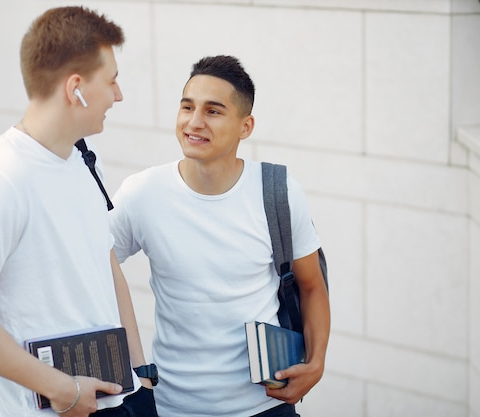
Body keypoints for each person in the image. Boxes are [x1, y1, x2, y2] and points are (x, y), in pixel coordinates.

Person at [0, 6, 158, 417]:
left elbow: (105, 268)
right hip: (55, 408)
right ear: (76, 88)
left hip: (121, 399)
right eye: (111, 81)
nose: (119, 95)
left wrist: (140, 375)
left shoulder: (83, 158)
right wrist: (60, 388)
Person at [110, 55, 330, 417]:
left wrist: (317, 362)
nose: (194, 122)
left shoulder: (277, 191)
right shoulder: (142, 194)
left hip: (266, 406)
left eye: (213, 111)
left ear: (246, 126)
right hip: (173, 407)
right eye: (187, 107)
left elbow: (311, 286)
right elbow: (85, 267)